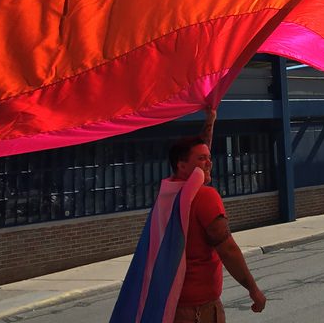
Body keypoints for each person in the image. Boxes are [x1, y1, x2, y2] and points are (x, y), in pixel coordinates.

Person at [110, 107, 266, 323]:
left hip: (171, 306)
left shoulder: (169, 194)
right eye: (203, 159)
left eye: (209, 158)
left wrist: (210, 119)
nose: (209, 163)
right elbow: (228, 249)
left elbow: (197, 158)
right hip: (198, 312)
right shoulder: (204, 197)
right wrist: (253, 289)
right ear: (182, 166)